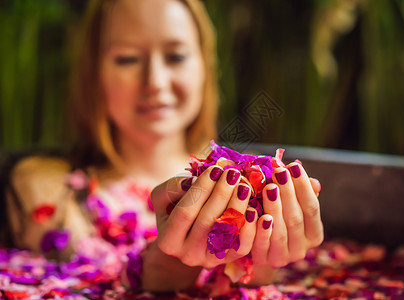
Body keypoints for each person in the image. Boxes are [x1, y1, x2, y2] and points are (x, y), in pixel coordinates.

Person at [4, 0, 323, 293]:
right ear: (94, 73)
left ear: (205, 67)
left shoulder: (252, 193)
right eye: (127, 58)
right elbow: (84, 280)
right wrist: (160, 268)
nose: (155, 81)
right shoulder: (47, 187)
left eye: (176, 56)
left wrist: (259, 267)